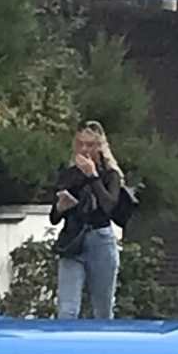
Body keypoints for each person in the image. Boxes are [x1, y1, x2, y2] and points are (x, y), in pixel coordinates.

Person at [51, 121, 135, 318]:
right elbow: (54, 217)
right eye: (80, 144)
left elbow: (109, 207)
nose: (84, 150)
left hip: (100, 238)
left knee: (103, 307)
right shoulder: (68, 175)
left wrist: (92, 176)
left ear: (99, 148)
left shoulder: (110, 176)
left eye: (89, 145)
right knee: (67, 309)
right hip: (73, 239)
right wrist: (60, 207)